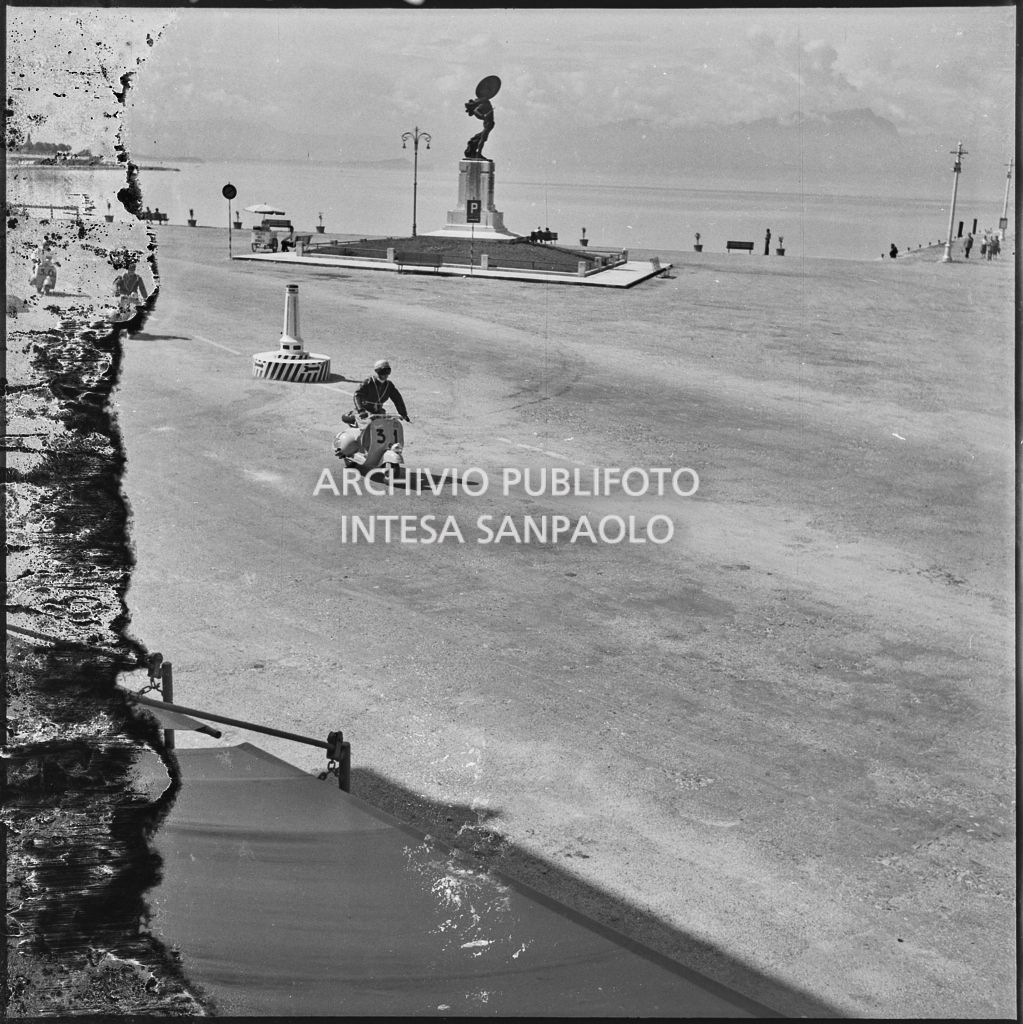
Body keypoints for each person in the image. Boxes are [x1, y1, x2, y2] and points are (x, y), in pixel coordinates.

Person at [343, 359, 410, 425]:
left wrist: (403, 413)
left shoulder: (389, 386)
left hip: (378, 413)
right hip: (364, 413)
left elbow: (397, 399)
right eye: (383, 372)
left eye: (388, 371)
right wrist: (361, 410)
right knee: (366, 424)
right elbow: (357, 395)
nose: (386, 375)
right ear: (377, 371)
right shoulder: (368, 382)